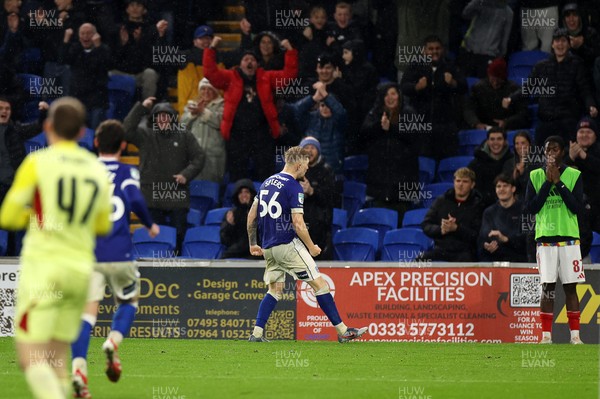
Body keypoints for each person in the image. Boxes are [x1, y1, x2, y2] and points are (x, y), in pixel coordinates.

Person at [0, 97, 112, 399]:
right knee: (56, 357)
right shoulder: (96, 169)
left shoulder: (38, 162)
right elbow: (103, 225)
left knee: (31, 357)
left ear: (47, 127)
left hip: (45, 271)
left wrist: (37, 216)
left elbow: (8, 216)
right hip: (79, 273)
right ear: (81, 133)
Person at [69, 119, 159, 398]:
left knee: (86, 313)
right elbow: (135, 200)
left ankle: (78, 368)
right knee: (129, 300)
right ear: (123, 146)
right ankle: (112, 341)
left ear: (95, 143)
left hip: (88, 254)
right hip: (120, 252)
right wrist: (149, 224)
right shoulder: (126, 171)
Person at [246, 146, 366, 343]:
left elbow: (252, 216)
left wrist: (253, 243)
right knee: (320, 284)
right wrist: (311, 247)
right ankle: (343, 331)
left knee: (275, 290)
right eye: (307, 166)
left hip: (268, 247)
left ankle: (256, 334)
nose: (307, 170)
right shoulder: (293, 186)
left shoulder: (267, 183)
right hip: (286, 244)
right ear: (299, 164)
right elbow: (298, 223)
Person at [203, 35, 297, 182]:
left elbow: (288, 76)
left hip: (262, 134)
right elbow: (210, 73)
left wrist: (290, 51)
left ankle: (265, 202)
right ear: (240, 64)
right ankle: (238, 204)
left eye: (252, 60)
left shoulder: (266, 77)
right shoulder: (230, 77)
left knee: (265, 174)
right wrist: (212, 48)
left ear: (257, 64)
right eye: (246, 59)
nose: (249, 62)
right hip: (237, 135)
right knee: (237, 175)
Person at [524, 135, 585, 344]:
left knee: (571, 287)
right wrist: (547, 184)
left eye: (555, 149)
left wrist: (558, 183)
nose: (551, 153)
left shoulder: (574, 175)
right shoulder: (534, 175)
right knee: (547, 287)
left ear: (562, 152)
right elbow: (530, 208)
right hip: (545, 239)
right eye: (548, 150)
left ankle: (575, 337)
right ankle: (546, 337)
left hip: (569, 237)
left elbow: (577, 207)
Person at [123, 97, 205, 251]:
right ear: (153, 118)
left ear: (172, 118)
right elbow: (126, 130)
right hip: (152, 196)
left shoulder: (184, 135)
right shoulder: (145, 135)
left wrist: (186, 175)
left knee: (179, 236)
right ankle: (157, 272)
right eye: (159, 116)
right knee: (156, 238)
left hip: (176, 195)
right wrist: (141, 107)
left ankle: (179, 269)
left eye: (166, 115)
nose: (162, 119)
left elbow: (199, 157)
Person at [522, 28, 597, 146]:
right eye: (557, 41)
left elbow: (585, 90)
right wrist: (511, 99)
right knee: (539, 156)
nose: (560, 44)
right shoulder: (541, 66)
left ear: (569, 44)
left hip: (568, 121)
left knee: (568, 157)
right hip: (546, 121)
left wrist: (591, 105)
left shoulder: (578, 64)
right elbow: (527, 88)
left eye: (563, 41)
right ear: (552, 44)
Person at [360, 82, 419, 225]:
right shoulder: (375, 113)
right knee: (381, 224)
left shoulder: (408, 113)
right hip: (380, 182)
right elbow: (363, 134)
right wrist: (380, 127)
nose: (390, 97)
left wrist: (391, 128)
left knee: (402, 224)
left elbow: (414, 136)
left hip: (403, 181)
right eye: (386, 94)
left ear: (399, 95)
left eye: (393, 93)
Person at [400, 35, 467, 159]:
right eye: (430, 49)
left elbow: (464, 87)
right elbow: (403, 87)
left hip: (445, 124)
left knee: (446, 159)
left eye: (437, 48)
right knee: (424, 160)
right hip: (422, 124)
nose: (434, 52)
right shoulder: (415, 66)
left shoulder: (450, 66)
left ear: (442, 50)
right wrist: (417, 87)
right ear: (424, 51)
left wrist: (453, 83)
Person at [421, 167, 484, 262]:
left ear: (472, 185)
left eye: (465, 181)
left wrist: (456, 229)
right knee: (419, 261)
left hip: (464, 252)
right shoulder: (441, 201)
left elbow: (477, 235)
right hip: (441, 249)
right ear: (454, 182)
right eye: (458, 181)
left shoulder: (478, 205)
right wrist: (441, 229)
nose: (460, 185)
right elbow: (425, 225)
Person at [59, 23, 112, 129]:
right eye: (82, 33)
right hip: (78, 97)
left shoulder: (103, 49)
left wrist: (98, 47)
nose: (85, 36)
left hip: (96, 99)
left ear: (95, 35)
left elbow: (105, 65)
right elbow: (62, 60)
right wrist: (66, 40)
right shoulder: (75, 48)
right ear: (78, 36)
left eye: (89, 33)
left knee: (94, 128)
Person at [290, 82, 346, 174]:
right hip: (308, 169)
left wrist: (325, 95)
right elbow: (294, 111)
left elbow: (341, 113)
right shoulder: (311, 118)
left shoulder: (339, 122)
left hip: (332, 171)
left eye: (329, 106)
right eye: (323, 105)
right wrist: (313, 99)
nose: (325, 108)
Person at [464, 58, 530, 130]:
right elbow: (469, 109)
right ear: (489, 75)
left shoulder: (515, 89)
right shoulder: (478, 88)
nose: (495, 83)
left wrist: (507, 122)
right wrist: (476, 123)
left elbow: (523, 113)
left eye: (499, 80)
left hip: (508, 129)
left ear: (504, 78)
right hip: (483, 128)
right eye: (492, 79)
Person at [298, 136, 337, 260]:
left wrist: (312, 191)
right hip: (298, 227)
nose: (309, 151)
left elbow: (330, 199)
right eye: (306, 148)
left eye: (312, 147)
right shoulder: (295, 172)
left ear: (318, 151)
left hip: (320, 228)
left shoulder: (326, 171)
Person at [181, 77, 226, 183]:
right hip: (193, 155)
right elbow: (181, 126)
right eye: (203, 89)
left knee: (211, 187)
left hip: (213, 155)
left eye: (210, 89)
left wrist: (202, 111)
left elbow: (221, 122)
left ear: (215, 91)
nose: (206, 92)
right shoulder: (191, 105)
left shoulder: (223, 105)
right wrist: (192, 114)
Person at [477, 174, 527, 262]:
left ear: (513, 189)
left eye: (505, 186)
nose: (501, 189)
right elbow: (483, 237)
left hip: (519, 259)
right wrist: (487, 245)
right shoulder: (489, 212)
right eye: (498, 186)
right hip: (494, 259)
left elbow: (527, 239)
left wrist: (506, 239)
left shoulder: (524, 210)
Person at [457, 0, 513, 78]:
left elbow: (505, 38)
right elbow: (465, 14)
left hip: (489, 55)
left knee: (483, 86)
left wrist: (499, 56)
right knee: (463, 83)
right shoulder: (480, 3)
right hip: (469, 51)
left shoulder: (508, 12)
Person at [565, 117, 600, 232]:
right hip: (576, 207)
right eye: (581, 132)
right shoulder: (567, 153)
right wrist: (570, 159)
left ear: (595, 135)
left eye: (589, 132)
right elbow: (557, 176)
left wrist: (585, 156)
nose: (584, 135)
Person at [468, 127, 515, 208]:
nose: (495, 143)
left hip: (506, 206)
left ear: (505, 142)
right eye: (492, 139)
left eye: (499, 139)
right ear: (487, 142)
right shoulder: (476, 163)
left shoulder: (512, 162)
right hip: (480, 206)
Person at [220, 178, 259, 260]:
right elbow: (225, 240)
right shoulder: (231, 214)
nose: (243, 195)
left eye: (246, 192)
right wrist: (229, 225)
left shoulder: (260, 212)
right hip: (236, 251)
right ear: (236, 196)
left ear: (252, 194)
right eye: (240, 192)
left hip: (256, 251)